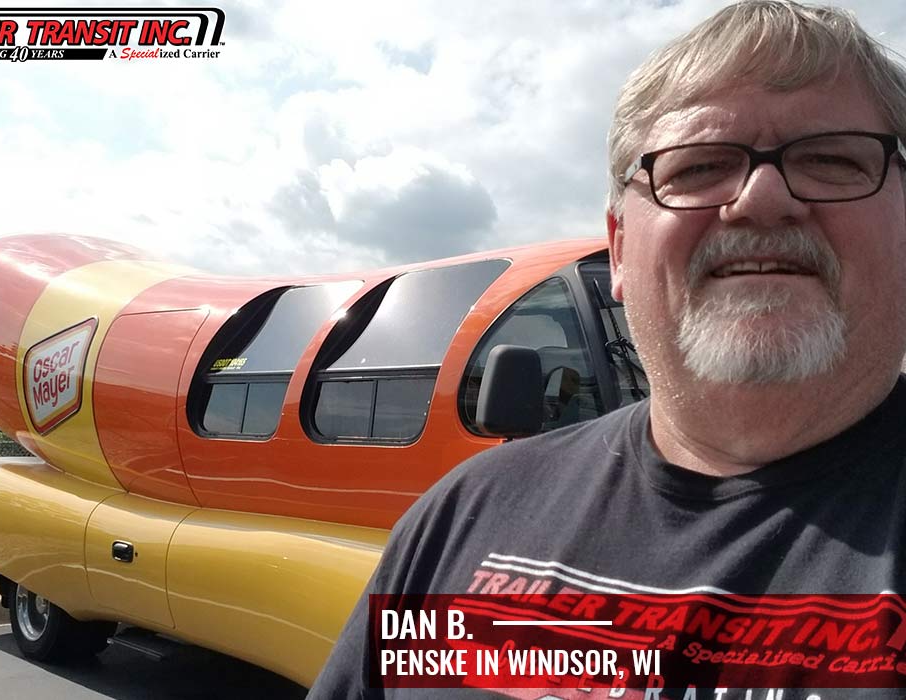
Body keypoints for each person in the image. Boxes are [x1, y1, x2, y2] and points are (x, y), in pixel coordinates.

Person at [308, 2, 906, 698]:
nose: (761, 197)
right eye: (698, 166)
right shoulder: (461, 515)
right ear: (620, 248)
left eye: (832, 158)